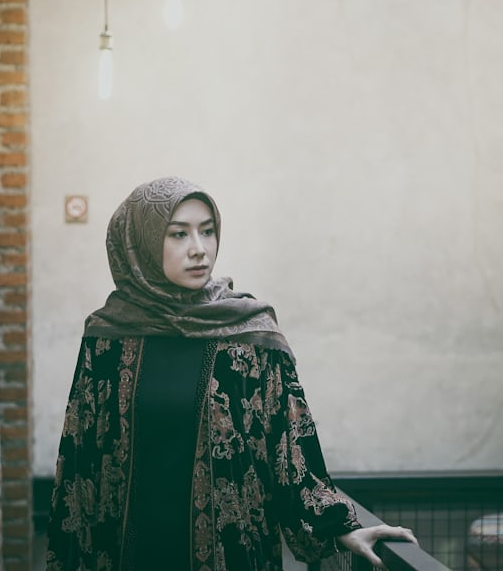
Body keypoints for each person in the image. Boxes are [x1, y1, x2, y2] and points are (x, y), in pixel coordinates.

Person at [45, 176, 417, 570]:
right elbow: (78, 465)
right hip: (126, 554)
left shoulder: (251, 334)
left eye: (207, 232)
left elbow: (290, 450)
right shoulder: (108, 337)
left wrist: (341, 527)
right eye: (178, 234)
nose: (199, 249)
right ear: (142, 244)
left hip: (233, 554)